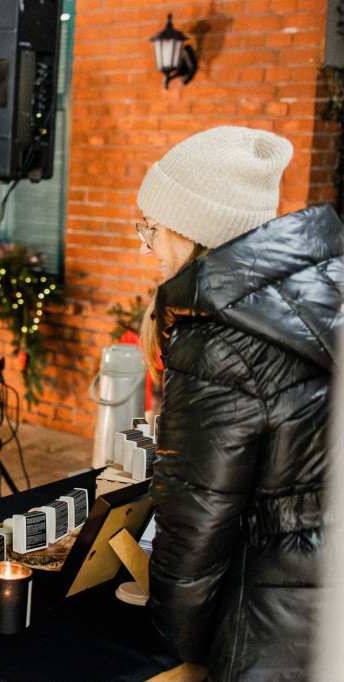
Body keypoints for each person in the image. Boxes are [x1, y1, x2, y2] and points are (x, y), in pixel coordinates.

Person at [135, 126, 343, 681]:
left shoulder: (218, 342)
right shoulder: (324, 292)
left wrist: (178, 649)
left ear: (191, 229)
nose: (146, 245)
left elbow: (197, 525)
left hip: (266, 628)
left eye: (151, 228)